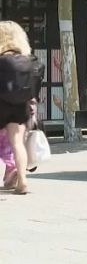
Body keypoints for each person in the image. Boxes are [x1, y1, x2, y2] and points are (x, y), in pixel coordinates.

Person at [0, 21, 38, 195]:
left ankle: (10, 172)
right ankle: (22, 180)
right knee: (17, 144)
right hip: (19, 107)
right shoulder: (27, 61)